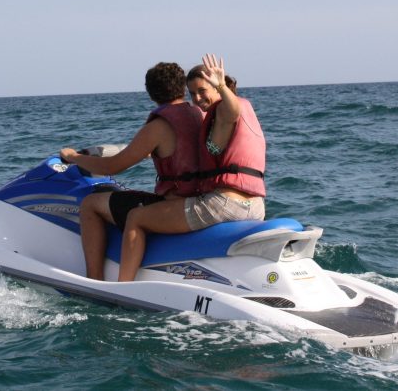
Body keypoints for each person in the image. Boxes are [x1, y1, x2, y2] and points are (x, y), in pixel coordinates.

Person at [116, 53, 266, 282]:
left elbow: (231, 111)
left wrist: (221, 86)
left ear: (218, 87)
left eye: (203, 91)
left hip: (224, 205)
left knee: (136, 217)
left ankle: (122, 287)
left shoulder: (226, 112)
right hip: (255, 206)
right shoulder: (242, 110)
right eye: (192, 93)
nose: (197, 99)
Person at [59, 62, 203, 280]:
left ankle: (95, 280)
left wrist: (73, 157)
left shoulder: (158, 127)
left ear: (151, 94)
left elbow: (112, 166)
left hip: (173, 204)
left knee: (90, 204)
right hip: (199, 199)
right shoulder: (199, 114)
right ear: (183, 89)